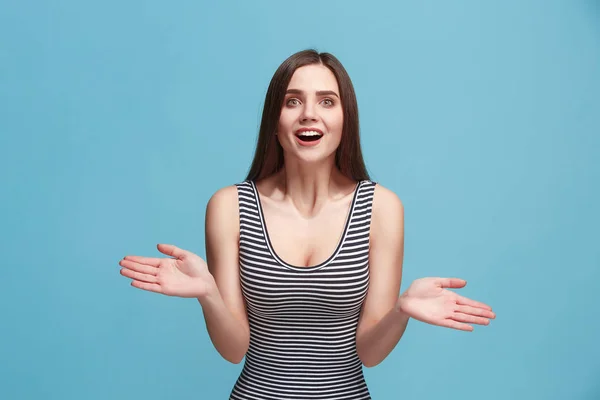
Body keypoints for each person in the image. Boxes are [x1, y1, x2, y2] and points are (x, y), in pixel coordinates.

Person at [118, 49, 496, 400]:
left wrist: (402, 310)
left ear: (345, 117)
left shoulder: (381, 207)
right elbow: (234, 351)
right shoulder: (230, 206)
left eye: (327, 101)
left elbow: (370, 353)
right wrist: (208, 293)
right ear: (275, 120)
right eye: (292, 101)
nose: (308, 114)